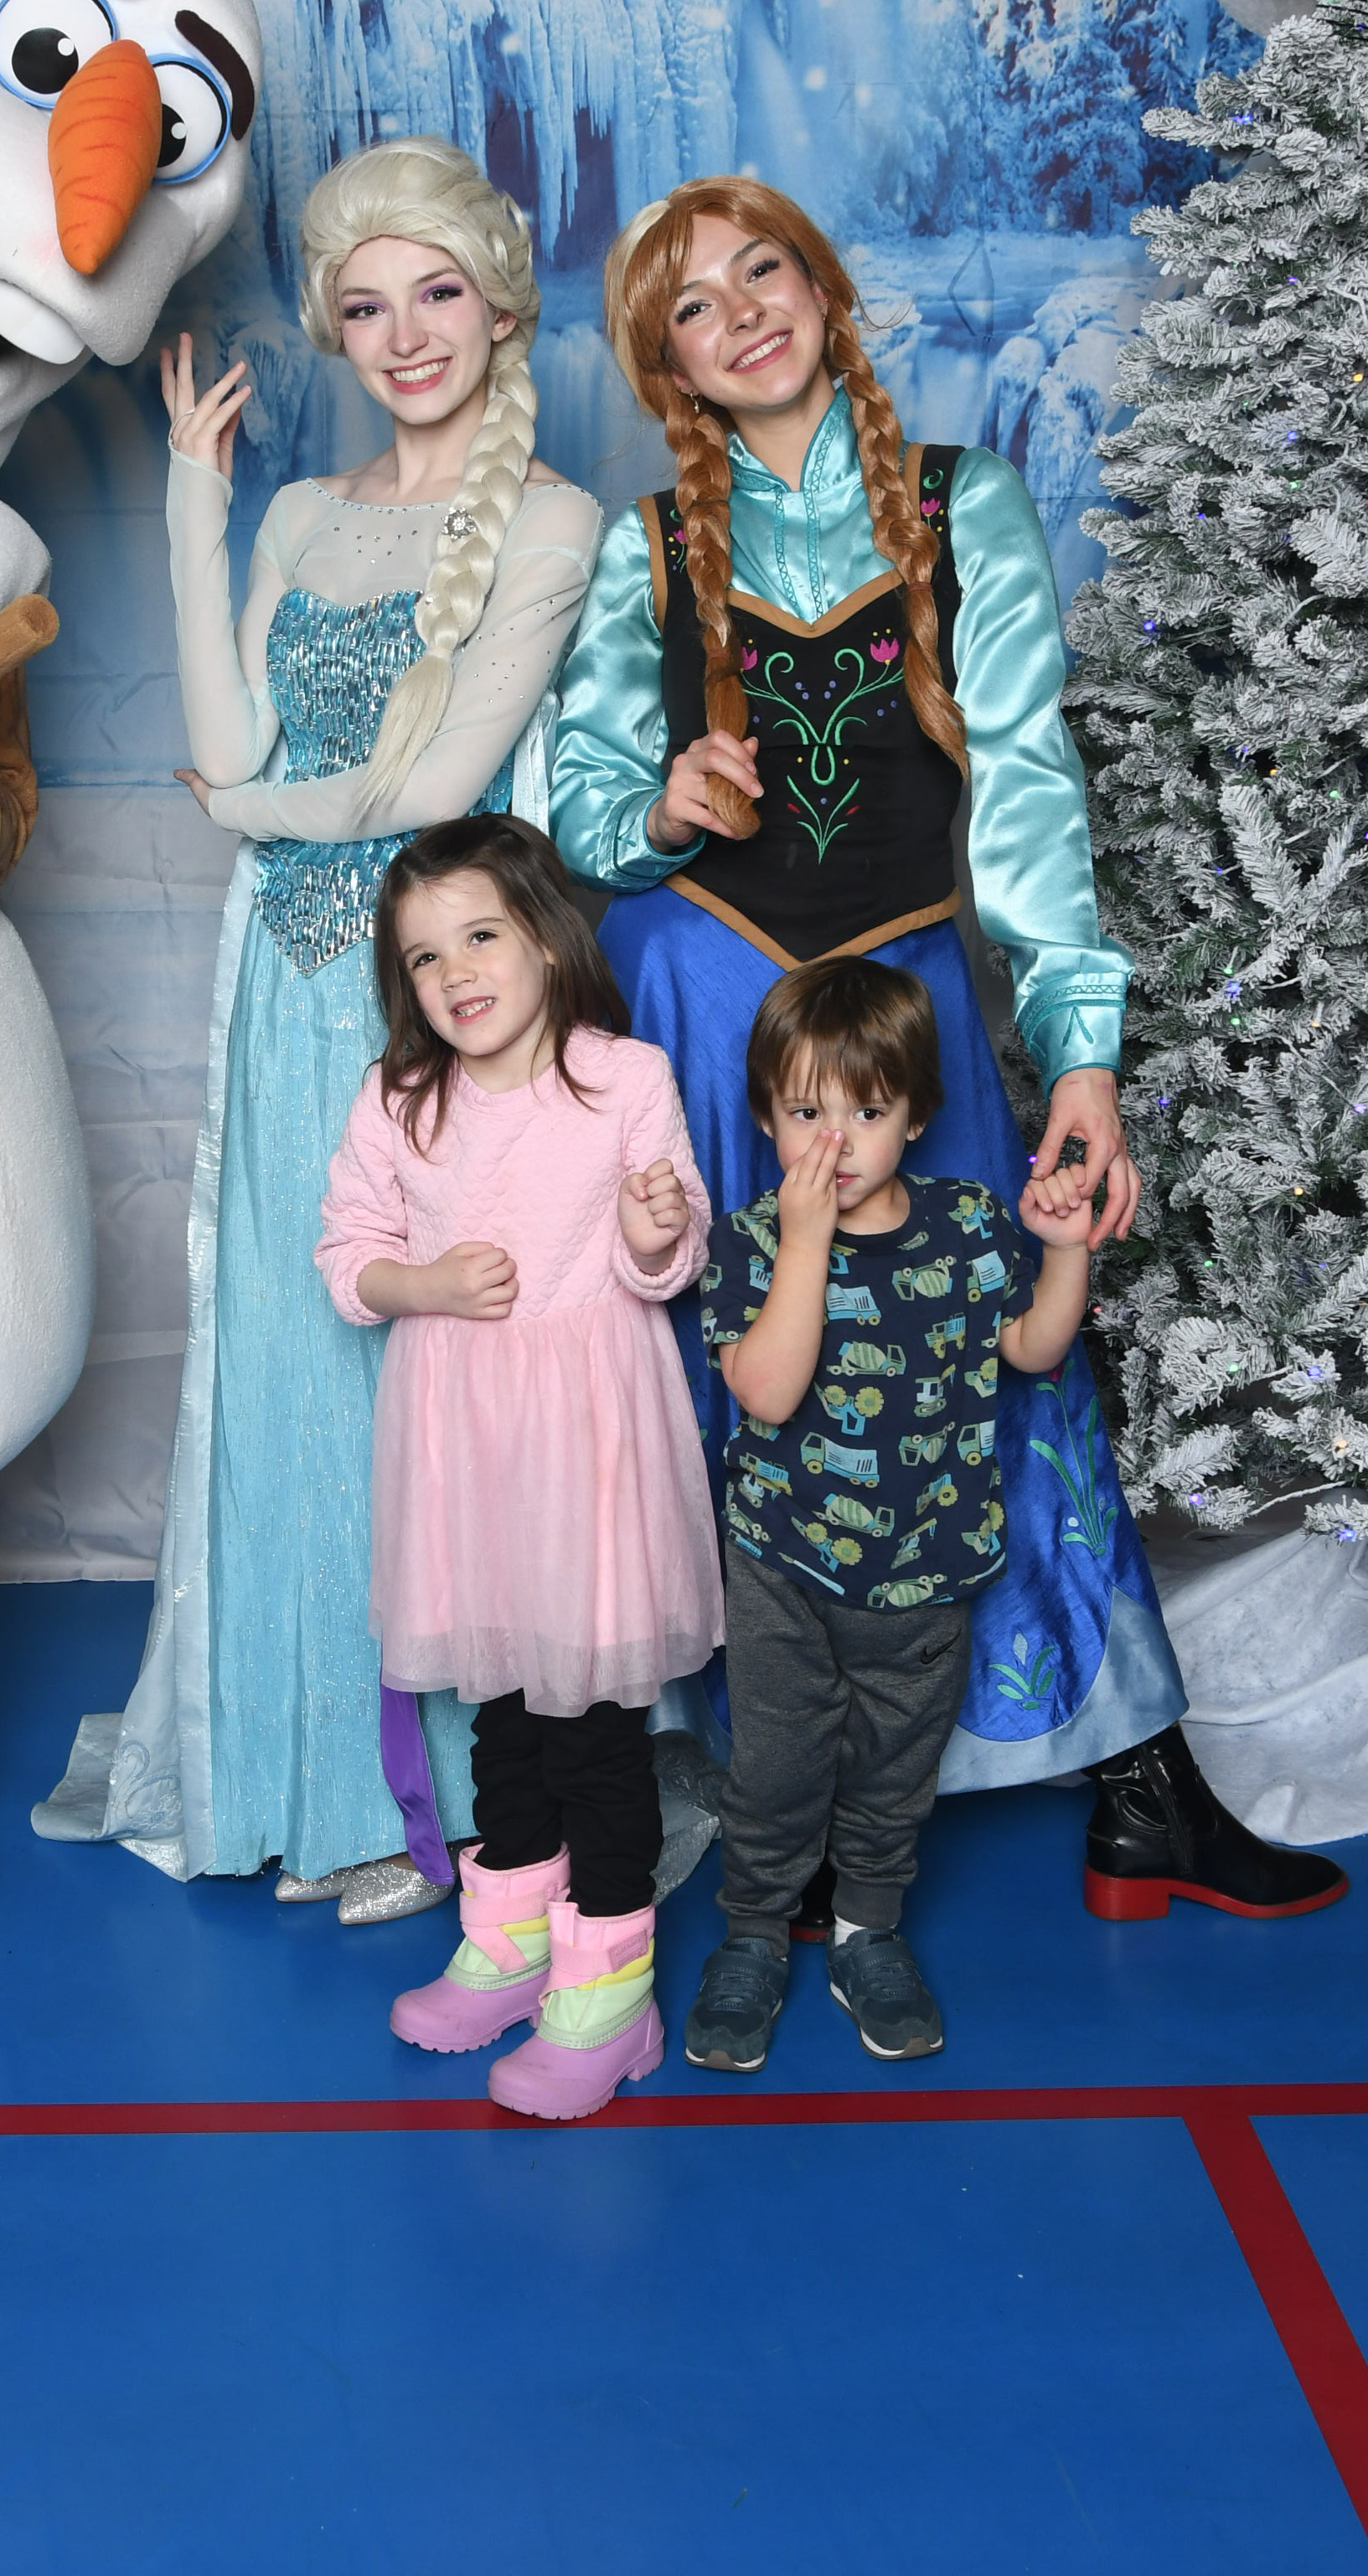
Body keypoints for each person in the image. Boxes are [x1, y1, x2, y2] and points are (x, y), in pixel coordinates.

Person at [550, 177, 1345, 1923]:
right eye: (695, 307)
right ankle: (786, 1788)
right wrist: (662, 801)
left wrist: (1082, 1056)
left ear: (828, 290)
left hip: (911, 1009)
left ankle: (1137, 1778)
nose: (744, 313)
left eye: (766, 270)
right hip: (710, 1013)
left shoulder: (960, 505)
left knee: (1005, 1361)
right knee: (750, 1369)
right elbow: (576, 805)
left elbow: (1032, 795)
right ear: (670, 368)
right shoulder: (646, 547)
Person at [34, 143, 601, 1918]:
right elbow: (224, 736)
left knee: (418, 1385)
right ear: (333, 334)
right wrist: (194, 510)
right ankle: (292, 1768)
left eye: (435, 292)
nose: (404, 333)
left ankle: (426, 1803)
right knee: (285, 1363)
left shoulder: (555, 520)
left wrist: (244, 811)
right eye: (364, 306)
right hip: (282, 993)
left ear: (498, 304)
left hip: (429, 1001)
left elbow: (430, 793)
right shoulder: (297, 512)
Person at [316, 816, 722, 2116]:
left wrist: (655, 1230)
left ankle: (611, 1988)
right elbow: (348, 1252)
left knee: (592, 1725)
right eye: (424, 956)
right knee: (499, 1700)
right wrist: (423, 1282)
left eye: (480, 935)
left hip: (588, 1449)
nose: (456, 973)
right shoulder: (400, 1097)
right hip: (467, 1453)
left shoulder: (624, 1078)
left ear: (547, 936)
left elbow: (670, 1258)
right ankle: (513, 1941)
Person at [685, 959, 1095, 2072]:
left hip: (926, 1571)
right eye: (805, 1113)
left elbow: (1034, 1349)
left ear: (915, 1115)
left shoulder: (966, 1225)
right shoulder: (752, 1241)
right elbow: (769, 1392)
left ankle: (867, 1930)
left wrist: (1064, 1247)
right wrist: (807, 1240)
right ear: (766, 1117)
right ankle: (754, 1933)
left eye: (867, 1112)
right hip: (784, 1565)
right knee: (776, 1767)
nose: (837, 1141)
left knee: (893, 1771)